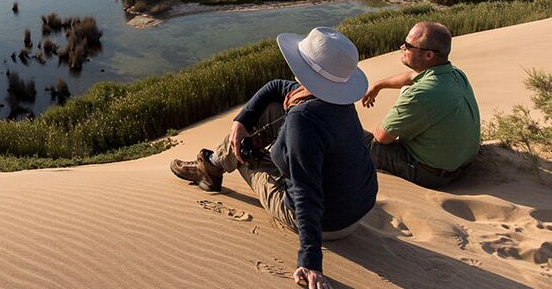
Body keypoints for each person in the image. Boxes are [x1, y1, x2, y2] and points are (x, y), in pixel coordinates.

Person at [170, 28, 377, 289]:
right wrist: (241, 121)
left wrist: (310, 259)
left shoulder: (303, 121)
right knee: (270, 110)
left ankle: (211, 167)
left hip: (326, 225)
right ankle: (213, 163)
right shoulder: (337, 101)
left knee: (241, 149)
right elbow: (276, 87)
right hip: (355, 211)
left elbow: (306, 193)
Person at [361, 21, 479, 188]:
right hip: (460, 163)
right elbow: (410, 77)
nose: (402, 47)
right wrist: (378, 85)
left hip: (431, 174)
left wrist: (399, 110)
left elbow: (382, 138)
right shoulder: (455, 74)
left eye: (408, 46)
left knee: (358, 138)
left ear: (428, 55)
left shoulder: (421, 94)